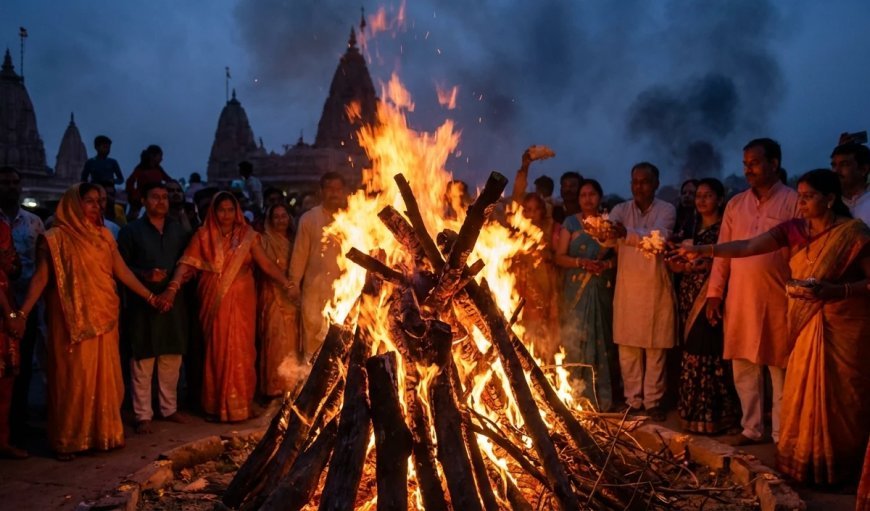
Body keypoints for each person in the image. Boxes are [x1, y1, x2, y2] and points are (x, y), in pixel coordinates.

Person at [674, 169, 869, 484]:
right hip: (806, 323)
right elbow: (749, 247)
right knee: (802, 391)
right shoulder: (795, 229)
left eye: (808, 197)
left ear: (830, 198)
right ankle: (804, 463)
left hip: (842, 326)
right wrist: (703, 250)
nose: (801, 203)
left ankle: (842, 470)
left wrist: (837, 291)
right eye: (800, 196)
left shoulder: (854, 234)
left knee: (840, 399)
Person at [15, 184, 161, 460]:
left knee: (106, 378)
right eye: (89, 201)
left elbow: (122, 273)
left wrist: (151, 297)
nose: (97, 206)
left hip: (104, 317)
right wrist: (21, 313)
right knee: (73, 379)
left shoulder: (104, 236)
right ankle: (69, 439)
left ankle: (104, 434)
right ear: (73, 205)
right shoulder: (54, 239)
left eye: (98, 201)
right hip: (70, 323)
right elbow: (41, 278)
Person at [162, 192, 295, 422]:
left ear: (237, 212)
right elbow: (186, 264)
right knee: (217, 351)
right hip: (214, 302)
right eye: (222, 210)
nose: (226, 215)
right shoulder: (203, 236)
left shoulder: (247, 236)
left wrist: (287, 283)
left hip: (243, 303)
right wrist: (172, 288)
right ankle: (216, 407)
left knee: (242, 351)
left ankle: (241, 405)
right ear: (214, 212)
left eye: (230, 210)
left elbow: (265, 264)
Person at [706, 138, 798, 446]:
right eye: (745, 164)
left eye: (755, 163)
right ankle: (752, 428)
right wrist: (715, 293)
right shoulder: (736, 204)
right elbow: (723, 252)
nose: (748, 170)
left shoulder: (793, 201)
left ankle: (782, 434)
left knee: (779, 367)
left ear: (774, 163)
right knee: (743, 365)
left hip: (778, 297)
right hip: (740, 297)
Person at [118, 182, 192, 434]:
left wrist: (175, 286)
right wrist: (145, 274)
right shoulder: (130, 231)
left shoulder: (178, 231)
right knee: (143, 359)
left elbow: (187, 262)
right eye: (155, 197)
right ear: (143, 201)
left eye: (164, 197)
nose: (161, 201)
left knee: (172, 357)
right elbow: (120, 268)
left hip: (173, 303)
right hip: (142, 305)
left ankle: (168, 408)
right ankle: (143, 414)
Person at [666, 178, 739, 434]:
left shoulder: (725, 230)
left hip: (711, 295)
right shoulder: (689, 225)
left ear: (720, 199)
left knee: (709, 350)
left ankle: (717, 417)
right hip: (688, 293)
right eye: (698, 195)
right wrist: (679, 264)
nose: (701, 200)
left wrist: (706, 264)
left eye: (708, 195)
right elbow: (675, 263)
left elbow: (728, 260)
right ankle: (693, 415)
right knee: (691, 351)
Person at [605, 162, 676, 421]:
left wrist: (627, 233)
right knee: (628, 349)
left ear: (656, 184)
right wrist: (601, 231)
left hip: (655, 287)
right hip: (628, 289)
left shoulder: (666, 210)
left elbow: (659, 240)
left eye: (645, 181)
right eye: (635, 182)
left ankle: (653, 401)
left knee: (655, 348)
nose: (639, 187)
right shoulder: (620, 210)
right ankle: (633, 400)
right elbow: (608, 239)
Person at [554, 179, 617, 411]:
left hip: (600, 288)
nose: (588, 199)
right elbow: (559, 257)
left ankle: (601, 398)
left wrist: (606, 265)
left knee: (601, 338)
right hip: (575, 290)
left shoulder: (609, 224)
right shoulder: (570, 223)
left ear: (600, 197)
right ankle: (575, 397)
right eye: (583, 195)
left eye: (592, 194)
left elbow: (618, 256)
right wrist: (581, 262)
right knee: (575, 339)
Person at [0, 166, 45, 444]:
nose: (11, 187)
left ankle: (17, 425)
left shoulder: (34, 222)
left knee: (23, 367)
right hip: (2, 304)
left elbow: (41, 267)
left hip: (27, 303)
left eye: (15, 182)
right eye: (5, 182)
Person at [290, 172, 346, 358]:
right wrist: (294, 282)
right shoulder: (309, 219)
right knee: (314, 346)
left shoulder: (353, 218)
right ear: (321, 191)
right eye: (330, 189)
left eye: (338, 189)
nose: (334, 193)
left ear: (343, 192)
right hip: (315, 293)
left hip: (346, 293)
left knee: (344, 346)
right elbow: (299, 254)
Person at [511, 192, 560, 362]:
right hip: (521, 286)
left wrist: (553, 299)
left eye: (535, 209)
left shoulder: (550, 231)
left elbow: (553, 267)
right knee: (524, 331)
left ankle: (548, 369)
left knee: (545, 331)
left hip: (544, 282)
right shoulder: (515, 234)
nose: (531, 214)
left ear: (542, 211)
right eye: (527, 209)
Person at [258, 204, 300, 397]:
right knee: (274, 339)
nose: (280, 220)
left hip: (294, 297)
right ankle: (274, 387)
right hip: (273, 296)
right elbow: (265, 266)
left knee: (293, 340)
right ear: (270, 220)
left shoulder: (296, 240)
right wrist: (284, 282)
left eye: (284, 216)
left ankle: (290, 387)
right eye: (276, 216)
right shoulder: (264, 241)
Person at [0, 219, 26, 459]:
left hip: (6, 320)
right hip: (4, 314)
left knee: (6, 383)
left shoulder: (3, 227)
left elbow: (13, 268)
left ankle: (3, 441)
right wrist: (9, 314)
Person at [125, 145, 171, 219]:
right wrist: (134, 195)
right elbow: (130, 182)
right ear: (152, 156)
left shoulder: (158, 168)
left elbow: (168, 179)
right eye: (160, 156)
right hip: (141, 200)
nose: (161, 159)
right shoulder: (140, 168)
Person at [830, 142, 870, 223]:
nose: (836, 171)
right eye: (834, 165)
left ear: (863, 169)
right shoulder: (828, 205)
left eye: (844, 165)